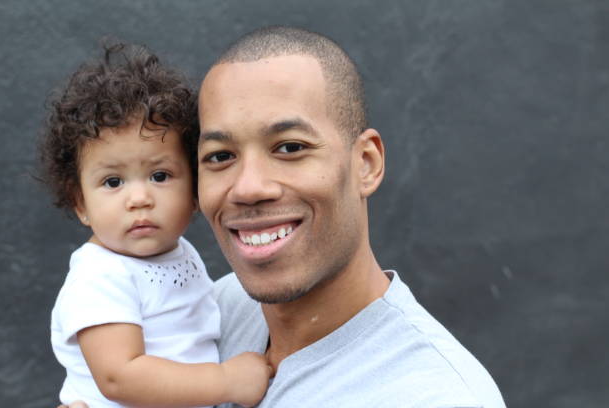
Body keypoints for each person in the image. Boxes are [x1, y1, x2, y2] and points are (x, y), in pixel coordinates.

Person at [60, 26, 506, 408]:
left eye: (290, 147)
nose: (250, 187)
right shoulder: (216, 307)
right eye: (220, 156)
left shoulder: (433, 394)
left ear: (365, 163)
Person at [42, 43, 271, 408]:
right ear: (81, 204)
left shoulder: (179, 254)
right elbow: (120, 376)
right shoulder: (100, 276)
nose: (139, 198)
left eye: (160, 175)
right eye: (113, 182)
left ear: (195, 190)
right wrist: (226, 381)